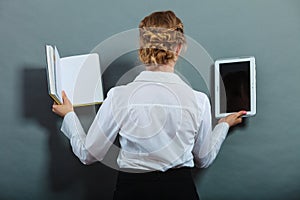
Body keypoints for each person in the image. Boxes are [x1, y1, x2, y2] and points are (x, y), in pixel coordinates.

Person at [52, 10, 246, 200]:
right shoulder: (199, 101)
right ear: (178, 49)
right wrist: (223, 125)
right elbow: (203, 159)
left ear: (142, 49)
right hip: (181, 192)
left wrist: (69, 115)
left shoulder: (119, 97)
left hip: (132, 192)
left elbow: (88, 154)